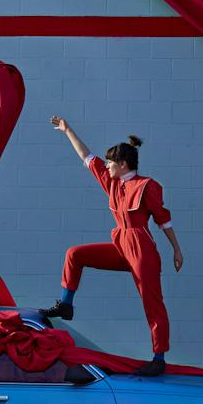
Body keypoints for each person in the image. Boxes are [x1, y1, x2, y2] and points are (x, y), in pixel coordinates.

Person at [41, 116, 184, 376]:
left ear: (123, 164)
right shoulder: (112, 183)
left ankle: (158, 357)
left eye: (110, 162)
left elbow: (163, 219)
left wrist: (176, 249)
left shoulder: (146, 186)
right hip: (121, 244)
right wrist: (67, 130)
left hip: (141, 248)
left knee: (152, 303)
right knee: (75, 254)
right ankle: (66, 304)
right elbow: (86, 157)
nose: (106, 166)